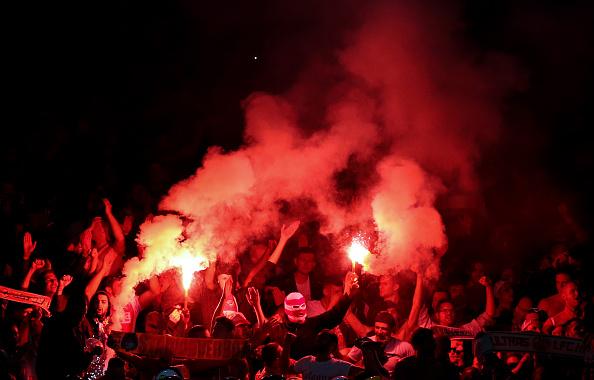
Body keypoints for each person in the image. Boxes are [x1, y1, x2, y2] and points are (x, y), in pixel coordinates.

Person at [347, 311, 413, 375]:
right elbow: (347, 362)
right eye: (377, 327)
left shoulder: (404, 347)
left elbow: (416, 367)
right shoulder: (364, 343)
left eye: (384, 329)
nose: (379, 332)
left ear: (392, 329)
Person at [292, 330, 363, 380]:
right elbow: (284, 369)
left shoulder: (340, 366)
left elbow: (366, 373)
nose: (321, 343)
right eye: (319, 340)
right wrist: (287, 345)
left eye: (325, 341)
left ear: (333, 346)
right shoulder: (306, 361)